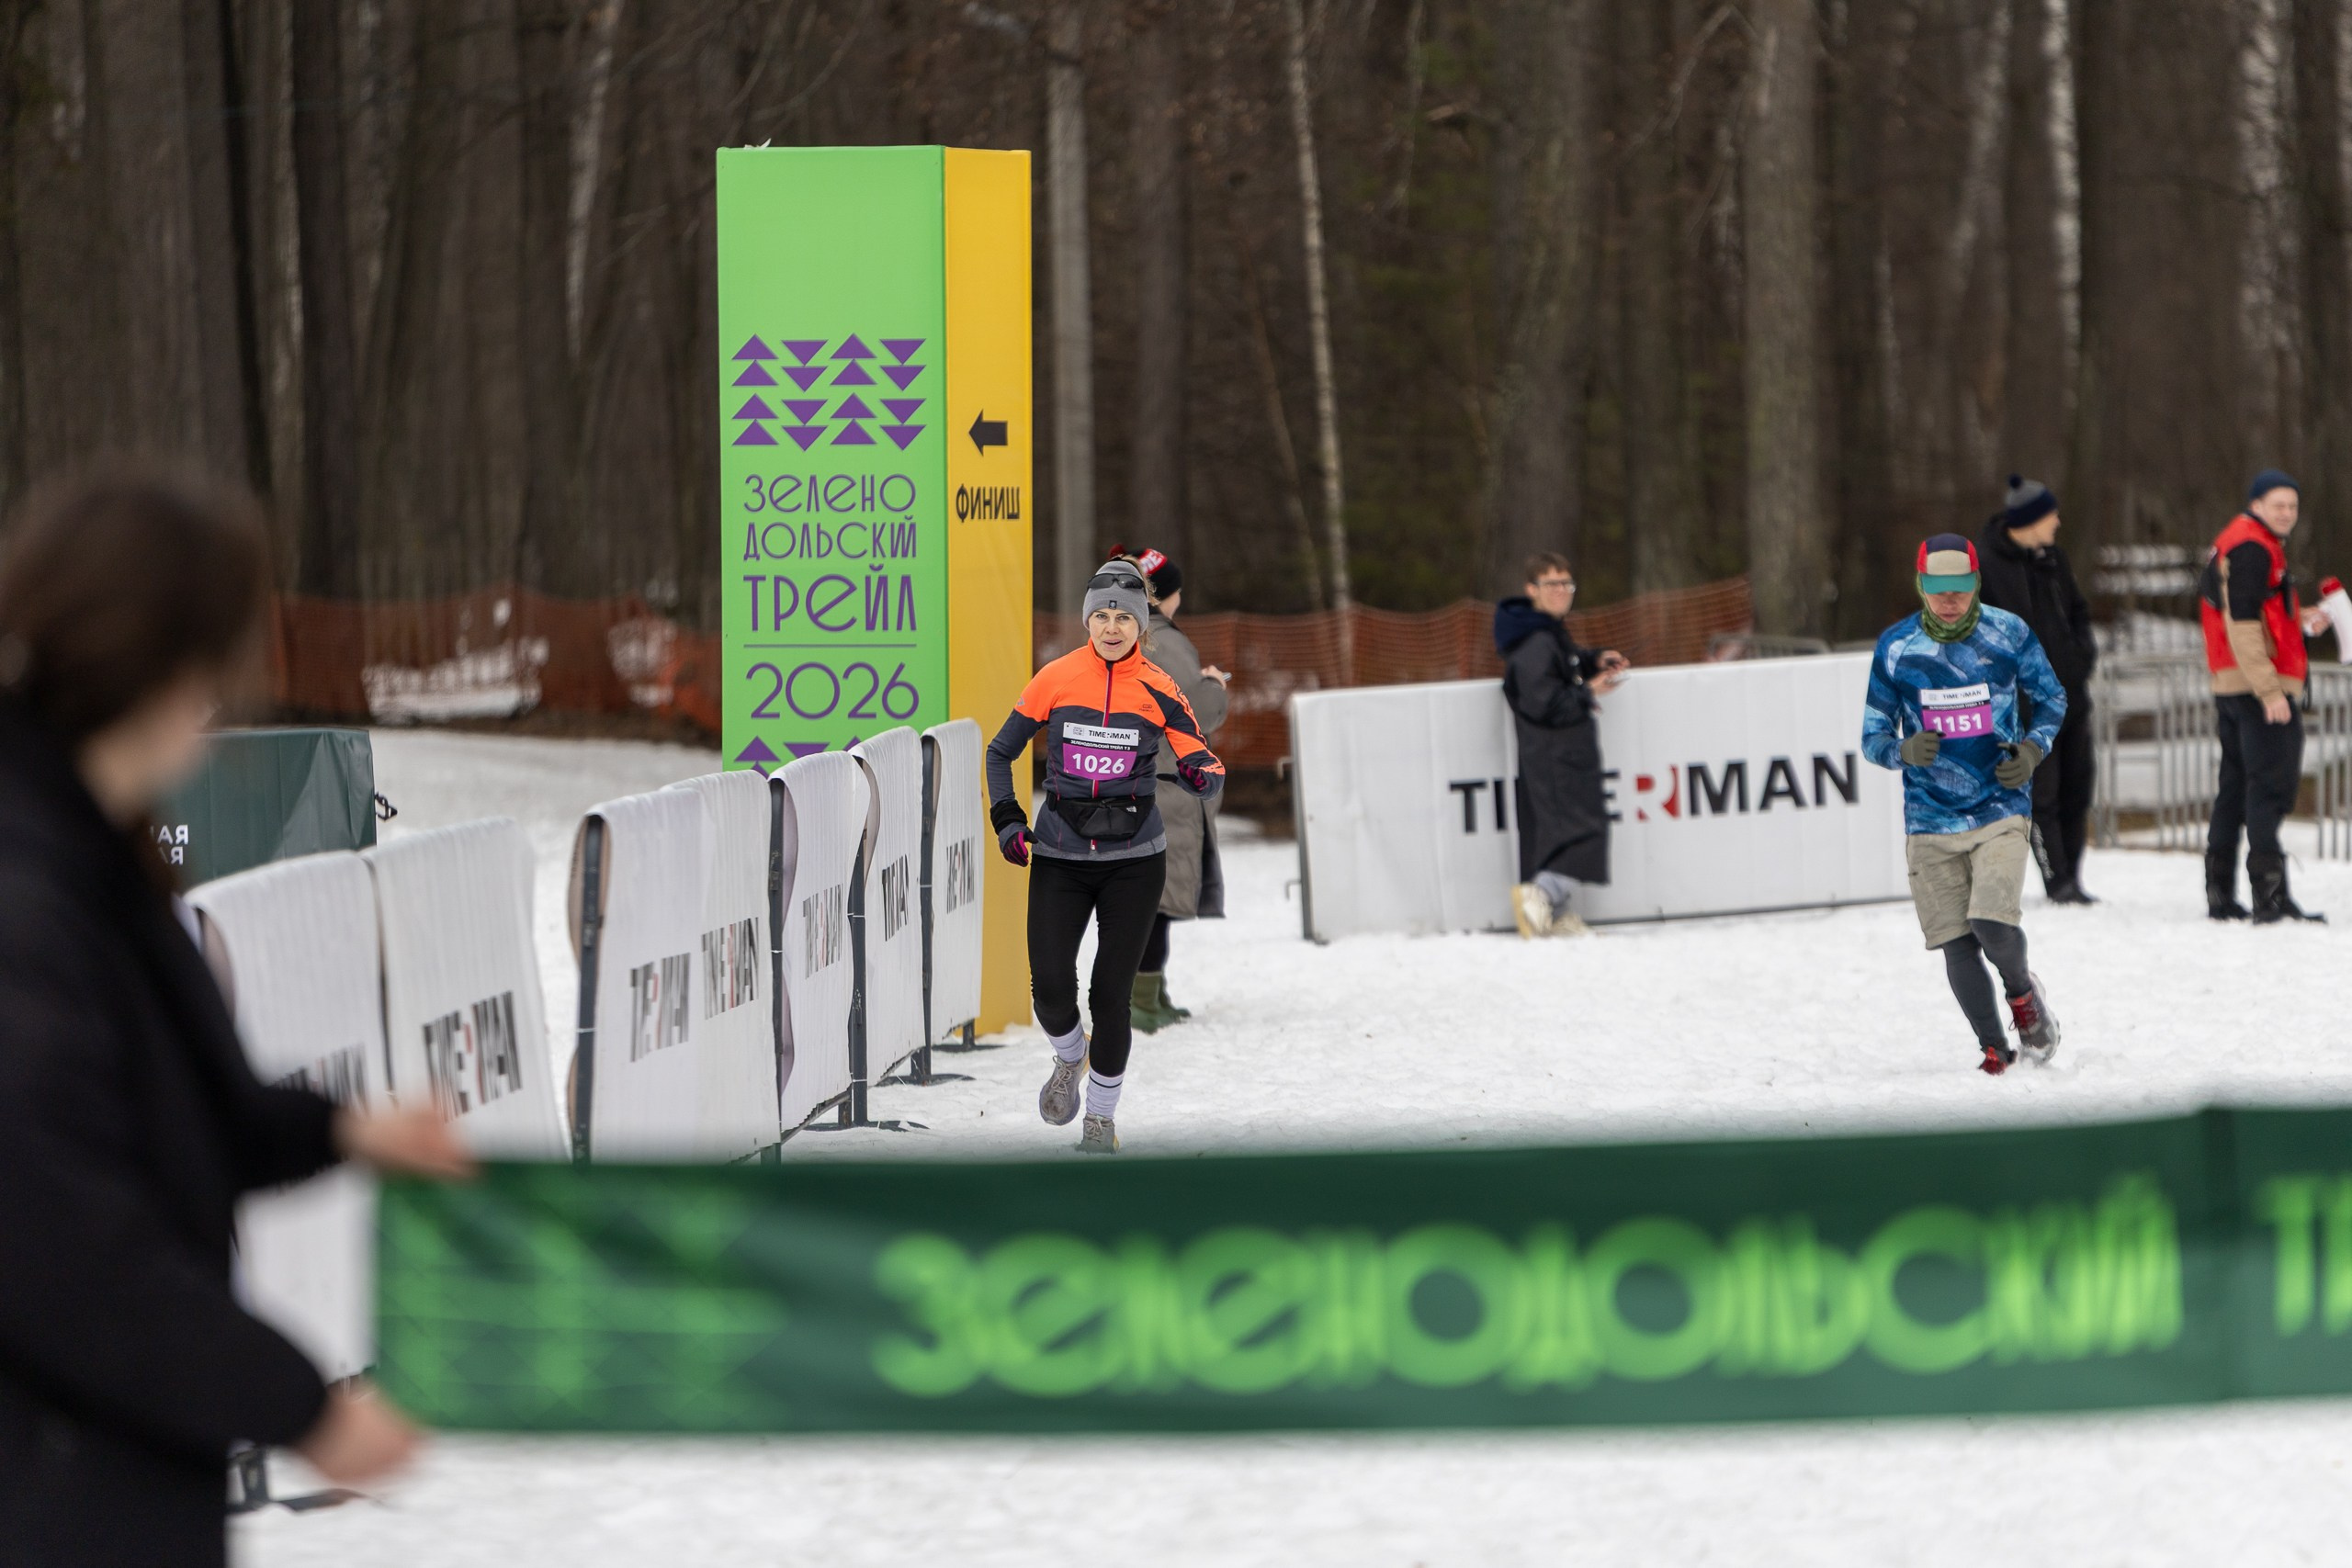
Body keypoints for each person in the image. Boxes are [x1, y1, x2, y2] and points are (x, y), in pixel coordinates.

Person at [0, 472, 473, 1566]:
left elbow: (156, 1103)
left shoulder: (89, 847)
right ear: (170, 663)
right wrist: (302, 1408)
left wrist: (341, 1130)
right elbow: (59, 1240)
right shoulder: (27, 890)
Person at [986, 560, 1226, 1154]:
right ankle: (1071, 1057)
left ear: (1141, 625)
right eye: (1102, 615)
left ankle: (1099, 1120)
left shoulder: (1160, 687)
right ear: (1087, 620)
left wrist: (1200, 771)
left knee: (1108, 993)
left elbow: (1202, 754)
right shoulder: (1056, 678)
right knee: (1049, 990)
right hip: (1061, 854)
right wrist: (1008, 819)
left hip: (1134, 860)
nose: (1112, 627)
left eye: (1124, 616)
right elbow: (999, 752)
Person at [1862, 534, 2068, 1076]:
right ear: (1920, 585)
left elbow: (2052, 699)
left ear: (1976, 584)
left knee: (1991, 924)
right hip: (1929, 816)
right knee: (1955, 942)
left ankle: (2024, 998)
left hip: (2000, 806)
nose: (1948, 600)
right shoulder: (1897, 647)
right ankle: (1994, 1048)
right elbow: (1872, 734)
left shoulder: (2009, 633)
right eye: (1937, 589)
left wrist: (2030, 750)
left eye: (1959, 589)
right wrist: (1901, 750)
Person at [2199, 468, 2334, 922]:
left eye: (2293, 506)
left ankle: (2220, 895)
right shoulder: (2254, 547)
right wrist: (2270, 690)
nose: (2287, 513)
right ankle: (2269, 897)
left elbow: (2257, 613)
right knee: (2269, 788)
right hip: (2258, 688)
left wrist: (2303, 617)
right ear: (2256, 505)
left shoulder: (2240, 541)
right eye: (2278, 505)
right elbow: (2242, 624)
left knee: (2235, 789)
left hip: (2233, 684)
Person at [1118, 547, 1229, 1033]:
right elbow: (1194, 712)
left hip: (1141, 780)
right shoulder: (1167, 642)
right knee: (1157, 903)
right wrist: (1215, 685)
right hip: (1168, 786)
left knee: (1152, 900)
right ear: (1166, 596)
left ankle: (1152, 991)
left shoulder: (1127, 637)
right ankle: (1141, 998)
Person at [1976, 475, 2100, 903]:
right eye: (2051, 515)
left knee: (2078, 786)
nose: (2058, 522)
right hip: (2025, 706)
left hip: (2070, 696)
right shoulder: (1986, 565)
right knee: (2041, 793)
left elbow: (2079, 612)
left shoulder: (2054, 559)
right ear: (2029, 521)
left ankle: (2073, 877)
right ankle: (2057, 880)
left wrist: (2082, 656)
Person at [1494, 552, 1627, 938]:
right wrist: (1589, 692)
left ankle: (1554, 912)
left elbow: (1562, 667)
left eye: (1567, 584)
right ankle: (1540, 896)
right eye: (1551, 585)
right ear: (1531, 590)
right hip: (1553, 752)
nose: (1561, 592)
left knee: (1559, 831)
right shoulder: (1534, 640)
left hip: (1565, 751)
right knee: (1581, 829)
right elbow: (1542, 701)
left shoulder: (1545, 632)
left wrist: (1594, 660)